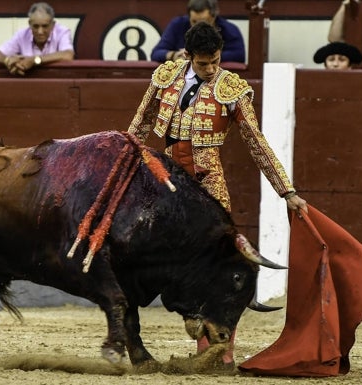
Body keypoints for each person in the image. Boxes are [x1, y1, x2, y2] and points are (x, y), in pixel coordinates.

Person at [129, 21, 307, 368]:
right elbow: (140, 125)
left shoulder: (233, 90)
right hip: (168, 183)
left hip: (208, 184)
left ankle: (219, 352)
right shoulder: (165, 77)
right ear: (188, 56)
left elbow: (257, 143)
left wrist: (287, 191)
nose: (211, 70)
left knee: (219, 267)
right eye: (203, 64)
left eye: (215, 62)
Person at [0, 2, 74, 76]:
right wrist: (9, 61)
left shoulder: (62, 32)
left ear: (53, 24)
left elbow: (68, 55)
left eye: (45, 26)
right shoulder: (22, 35)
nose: (40, 31)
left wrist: (35, 60)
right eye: (35, 26)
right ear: (30, 24)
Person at [151, 0, 245, 63]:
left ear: (214, 16)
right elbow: (156, 53)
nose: (198, 26)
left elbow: (239, 55)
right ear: (189, 17)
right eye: (194, 21)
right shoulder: (178, 24)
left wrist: (204, 55)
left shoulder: (229, 29)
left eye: (203, 22)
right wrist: (174, 55)